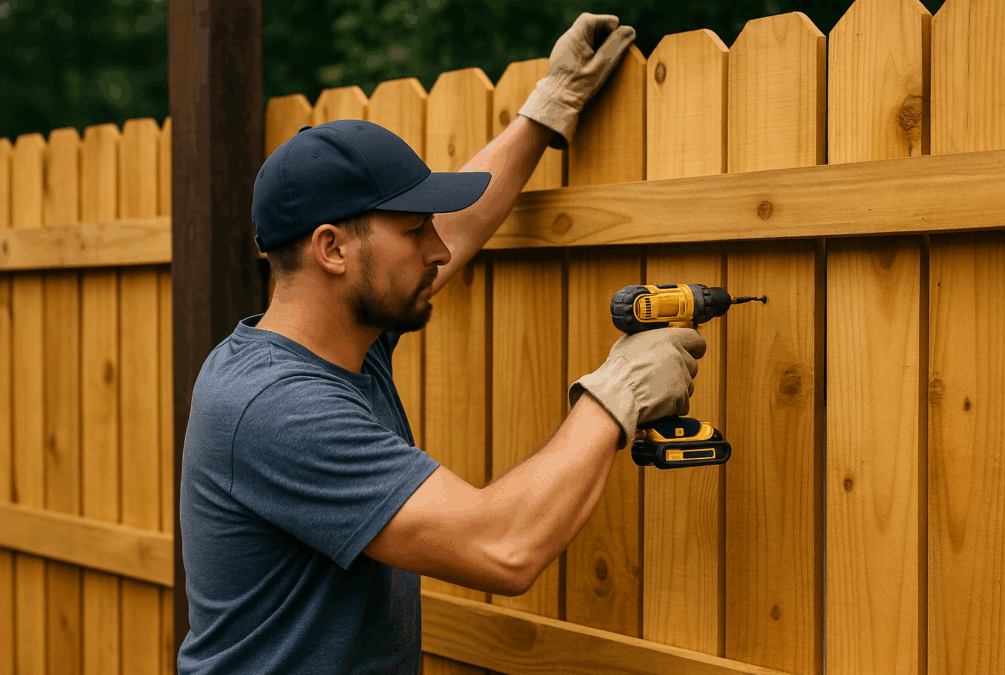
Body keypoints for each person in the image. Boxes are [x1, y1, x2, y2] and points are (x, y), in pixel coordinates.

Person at [178, 12, 705, 674]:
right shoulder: (277, 407)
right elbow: (504, 547)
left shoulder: (336, 338)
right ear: (331, 248)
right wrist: (617, 392)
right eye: (413, 229)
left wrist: (548, 108)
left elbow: (456, 229)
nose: (437, 247)